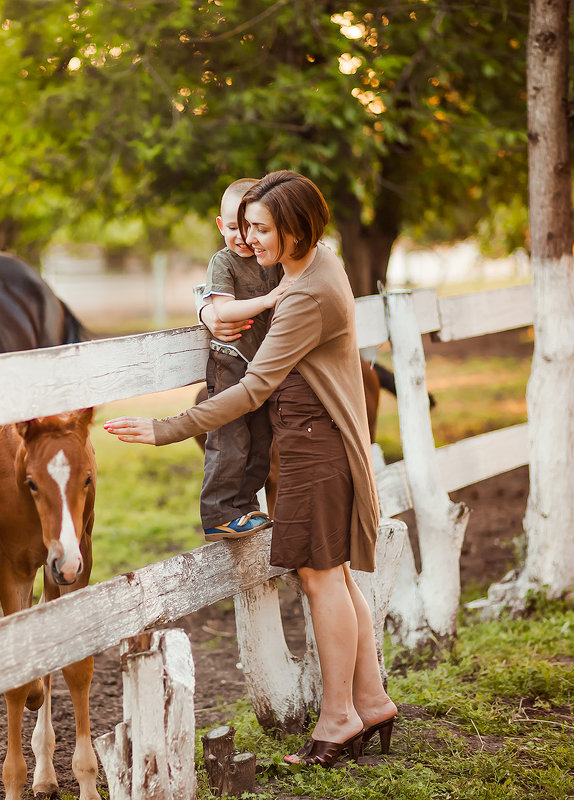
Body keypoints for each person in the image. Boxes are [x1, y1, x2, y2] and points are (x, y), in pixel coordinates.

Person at [104, 170, 397, 768]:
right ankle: (371, 700)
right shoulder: (320, 263)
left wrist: (164, 429)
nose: (250, 238)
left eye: (261, 228)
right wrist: (208, 304)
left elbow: (253, 389)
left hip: (315, 446)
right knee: (335, 578)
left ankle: (339, 717)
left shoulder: (303, 296)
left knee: (321, 580)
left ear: (294, 228)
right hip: (323, 438)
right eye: (243, 226)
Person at [198, 177, 286, 542]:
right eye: (234, 227)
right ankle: (218, 513)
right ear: (221, 226)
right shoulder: (224, 262)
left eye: (250, 227)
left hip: (262, 366)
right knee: (229, 438)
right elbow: (225, 310)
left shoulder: (271, 261)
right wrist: (269, 300)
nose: (243, 236)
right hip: (231, 362)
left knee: (259, 441)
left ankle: (246, 507)